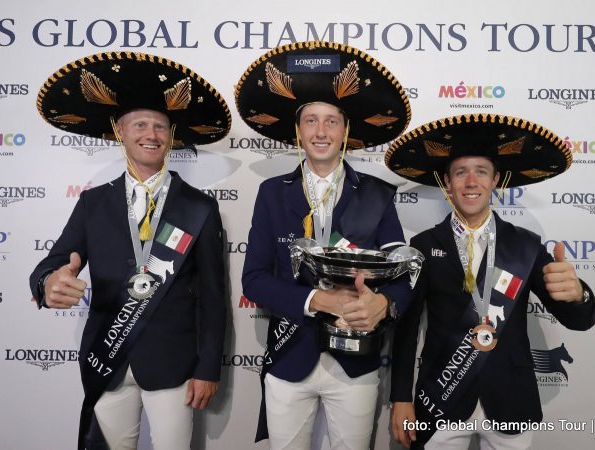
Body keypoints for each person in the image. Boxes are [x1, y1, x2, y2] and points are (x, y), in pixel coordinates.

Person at [28, 51, 232, 450]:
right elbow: (54, 263)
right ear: (119, 131)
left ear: (171, 136)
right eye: (139, 124)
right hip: (109, 358)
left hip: (174, 365)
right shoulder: (93, 203)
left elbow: (213, 297)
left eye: (160, 126)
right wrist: (49, 280)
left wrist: (209, 367)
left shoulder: (200, 207)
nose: (151, 134)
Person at [236, 41, 413, 449]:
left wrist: (384, 304)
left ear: (345, 130)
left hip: (357, 363)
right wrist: (320, 300)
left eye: (331, 121)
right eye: (311, 121)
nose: (320, 131)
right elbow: (254, 281)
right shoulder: (271, 193)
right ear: (297, 130)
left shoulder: (377, 195)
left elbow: (402, 277)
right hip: (289, 356)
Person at [385, 114, 595, 449]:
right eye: (461, 172)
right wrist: (401, 398)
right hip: (442, 396)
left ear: (495, 179)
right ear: (447, 181)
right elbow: (407, 330)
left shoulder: (526, 246)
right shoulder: (423, 247)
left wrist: (578, 295)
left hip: (510, 399)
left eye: (481, 171)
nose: (471, 181)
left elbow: (579, 320)